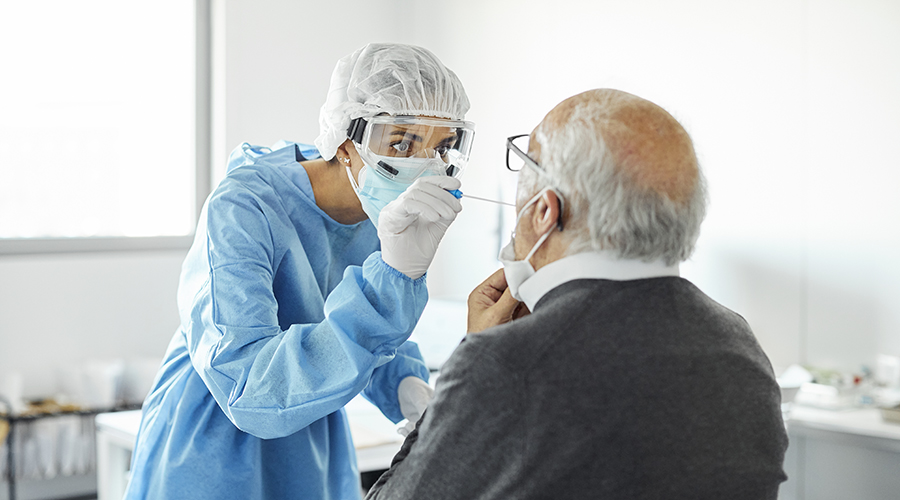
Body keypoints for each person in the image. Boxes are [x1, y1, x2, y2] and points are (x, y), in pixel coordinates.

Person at [366, 89, 788, 499]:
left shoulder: (503, 364)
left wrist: (470, 358)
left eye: (525, 163)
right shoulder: (742, 347)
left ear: (546, 211)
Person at [123, 43, 474, 499]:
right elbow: (250, 388)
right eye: (401, 142)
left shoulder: (379, 210)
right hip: (215, 438)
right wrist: (392, 284)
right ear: (346, 142)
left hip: (311, 425)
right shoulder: (245, 207)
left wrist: (406, 387)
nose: (422, 166)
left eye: (443, 146)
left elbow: (364, 324)